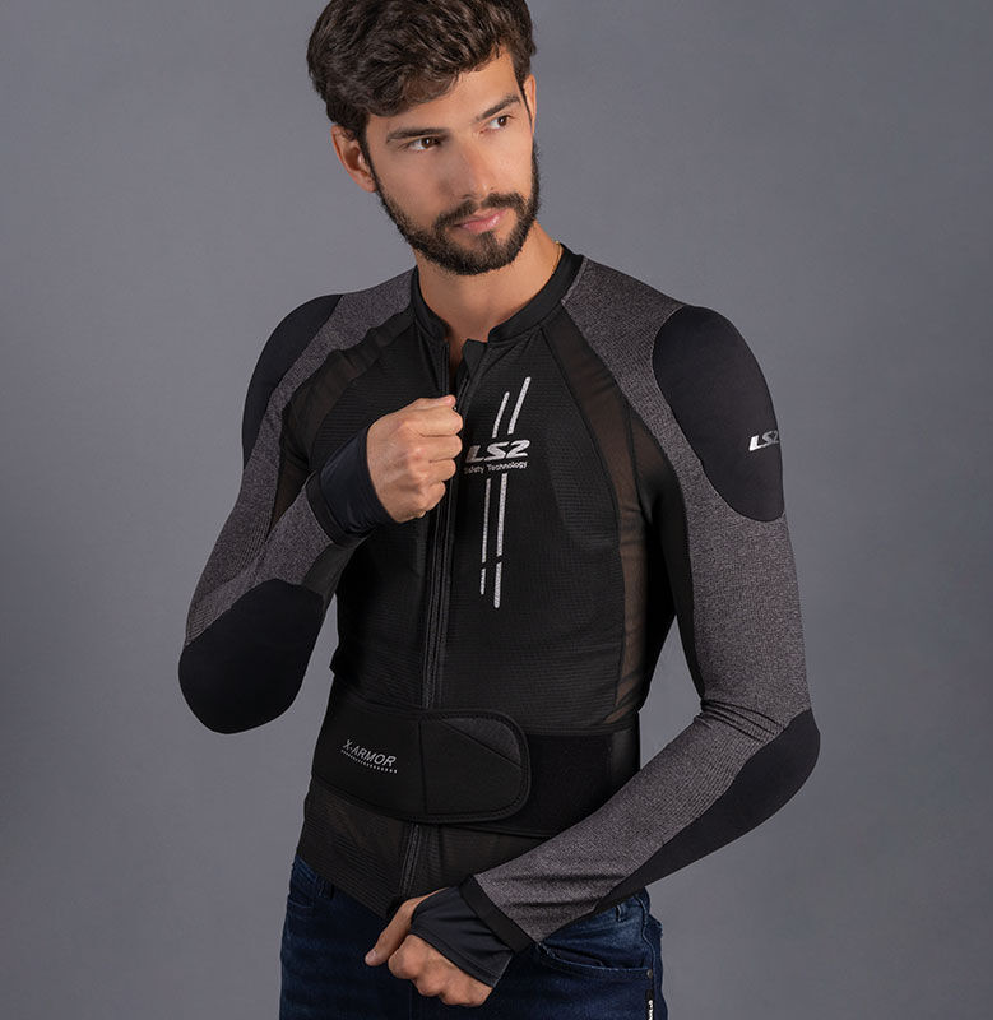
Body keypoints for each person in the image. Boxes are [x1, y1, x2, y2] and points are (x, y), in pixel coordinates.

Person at [176, 1, 822, 1016]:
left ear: (530, 99)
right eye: (422, 141)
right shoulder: (316, 354)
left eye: (495, 120)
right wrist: (339, 503)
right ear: (355, 156)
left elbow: (767, 721)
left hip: (555, 950)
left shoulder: (676, 361)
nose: (475, 179)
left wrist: (500, 914)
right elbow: (225, 690)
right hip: (339, 927)